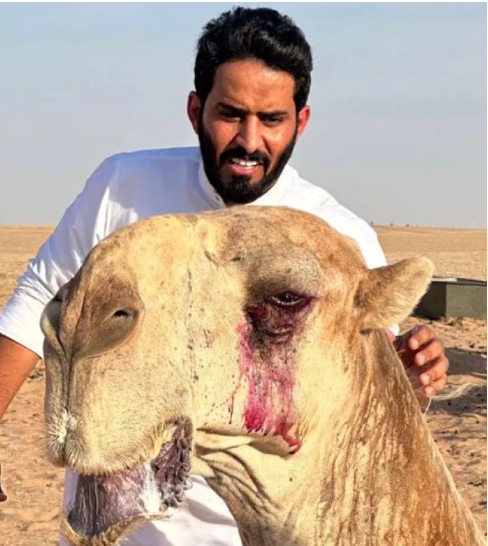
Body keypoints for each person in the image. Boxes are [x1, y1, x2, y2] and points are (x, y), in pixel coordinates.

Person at [0, 6, 448, 546]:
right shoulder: (123, 189)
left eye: (272, 120)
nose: (250, 141)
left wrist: (411, 380)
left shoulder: (341, 243)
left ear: (301, 121)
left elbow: (370, 414)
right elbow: (35, 308)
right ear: (196, 111)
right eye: (231, 115)